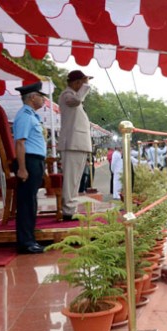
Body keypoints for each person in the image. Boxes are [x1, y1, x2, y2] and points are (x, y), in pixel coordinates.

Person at [12, 82, 47, 254]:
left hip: (35, 160)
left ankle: (30, 239)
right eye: (41, 96)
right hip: (29, 161)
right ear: (33, 97)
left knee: (31, 201)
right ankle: (25, 242)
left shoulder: (31, 115)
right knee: (26, 203)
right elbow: (20, 142)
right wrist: (22, 168)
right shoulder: (25, 116)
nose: (43, 100)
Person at [59, 70, 93, 220]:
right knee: (71, 179)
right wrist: (85, 87)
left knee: (75, 179)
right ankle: (68, 209)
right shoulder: (67, 95)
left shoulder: (71, 96)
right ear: (77, 83)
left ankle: (70, 208)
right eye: (83, 82)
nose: (85, 85)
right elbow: (76, 101)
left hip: (76, 143)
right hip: (72, 143)